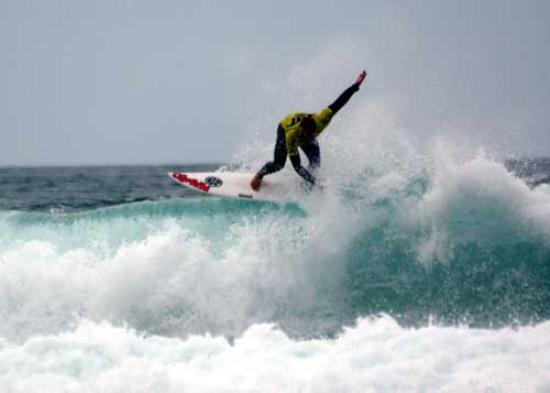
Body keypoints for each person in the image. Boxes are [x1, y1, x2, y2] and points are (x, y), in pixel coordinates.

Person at [250, 70, 367, 191]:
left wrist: (356, 85)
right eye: (302, 133)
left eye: (305, 135)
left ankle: (305, 186)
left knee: (315, 164)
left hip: (306, 131)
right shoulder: (292, 136)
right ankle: (259, 175)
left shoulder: (322, 119)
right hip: (284, 127)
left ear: (313, 132)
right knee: (279, 164)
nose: (302, 136)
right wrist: (315, 182)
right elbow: (297, 166)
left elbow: (340, 102)